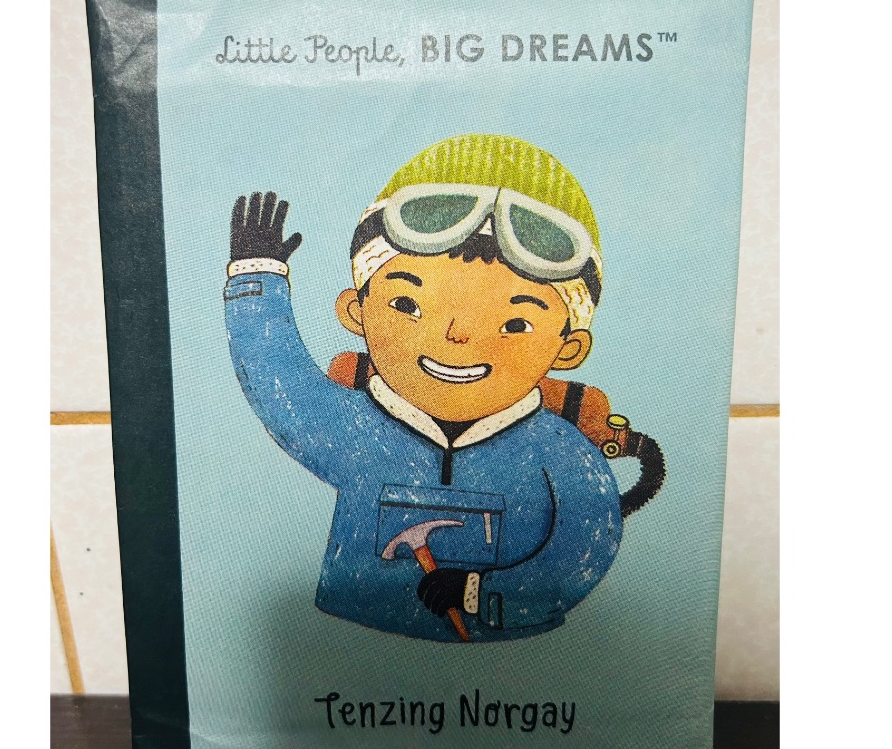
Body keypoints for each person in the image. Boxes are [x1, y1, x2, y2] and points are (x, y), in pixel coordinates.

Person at [224, 135, 630, 642]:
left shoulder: (564, 454)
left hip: (505, 663)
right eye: (407, 306)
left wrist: (479, 592)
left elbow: (584, 548)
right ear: (355, 312)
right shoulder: (356, 430)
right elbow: (282, 389)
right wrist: (257, 280)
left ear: (568, 349)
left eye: (516, 324)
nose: (457, 336)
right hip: (351, 646)